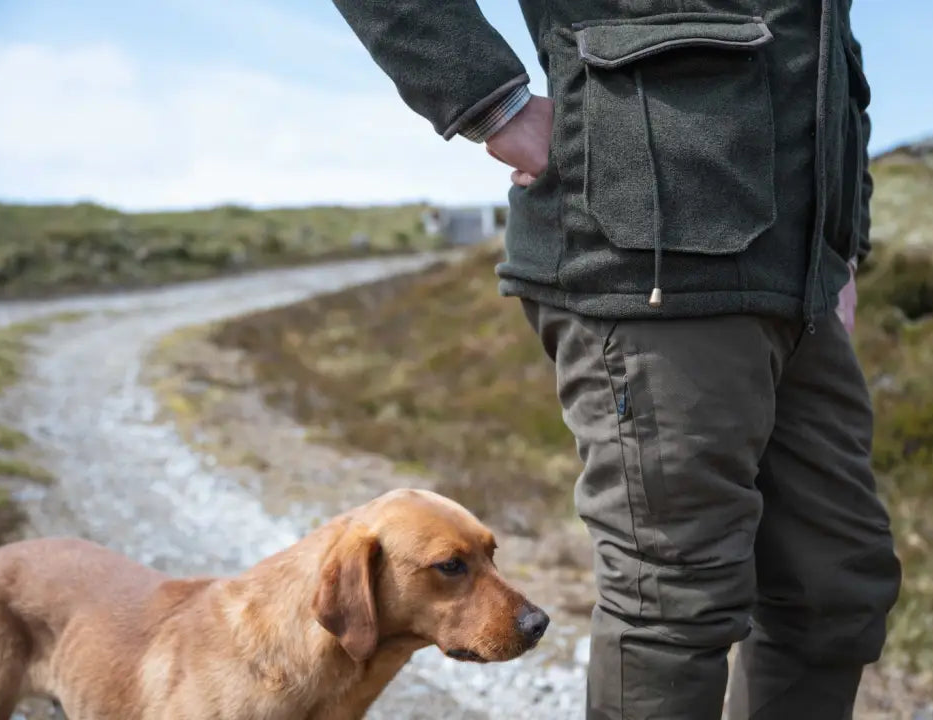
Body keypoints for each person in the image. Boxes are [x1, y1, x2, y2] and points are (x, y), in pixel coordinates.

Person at [330, 1, 902, 718]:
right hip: (650, 255)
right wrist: (492, 102)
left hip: (805, 278)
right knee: (675, 602)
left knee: (836, 590)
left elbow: (827, 57)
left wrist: (845, 241)